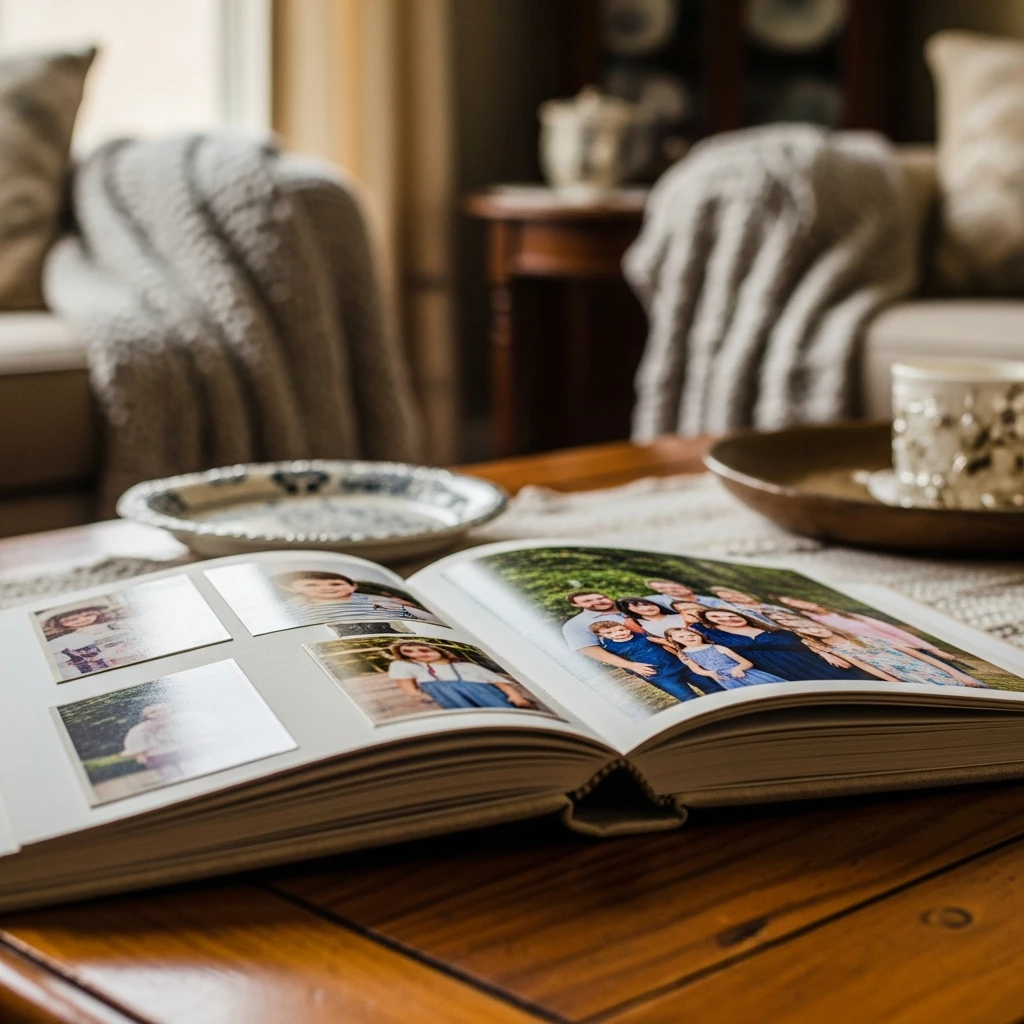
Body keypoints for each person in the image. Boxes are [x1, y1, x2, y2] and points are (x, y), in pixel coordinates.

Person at [695, 609, 877, 682]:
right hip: (780, 669)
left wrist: (828, 654)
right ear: (711, 623)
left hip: (813, 661)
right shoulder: (716, 635)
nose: (727, 618)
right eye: (717, 618)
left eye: (728, 614)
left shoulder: (773, 629)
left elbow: (804, 640)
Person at [791, 623, 987, 688]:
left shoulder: (860, 637)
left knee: (968, 687)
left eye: (812, 625)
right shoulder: (838, 651)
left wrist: (956, 673)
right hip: (904, 677)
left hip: (924, 668)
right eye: (807, 630)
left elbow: (913, 654)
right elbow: (869, 668)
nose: (814, 630)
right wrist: (895, 682)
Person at [775, 596, 957, 660]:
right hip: (877, 648)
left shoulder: (845, 614)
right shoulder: (814, 621)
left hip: (900, 643)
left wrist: (934, 649)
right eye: (794, 604)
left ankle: (935, 654)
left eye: (797, 600)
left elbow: (894, 631)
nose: (801, 605)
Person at [588, 620, 724, 701]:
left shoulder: (641, 635)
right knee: (687, 697)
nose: (618, 633)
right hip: (660, 676)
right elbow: (619, 663)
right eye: (610, 633)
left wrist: (679, 651)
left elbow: (663, 642)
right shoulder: (610, 648)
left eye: (620, 629)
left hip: (682, 666)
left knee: (712, 687)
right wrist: (635, 671)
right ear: (600, 635)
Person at [387, 641, 536, 710]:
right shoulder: (413, 667)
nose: (418, 654)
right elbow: (405, 682)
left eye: (422, 649)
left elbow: (499, 682)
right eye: (409, 652)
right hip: (444, 692)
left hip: (481, 689)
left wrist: (516, 696)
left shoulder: (466, 666)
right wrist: (416, 694)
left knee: (502, 709)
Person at [272, 570, 438, 626]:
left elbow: (424, 617)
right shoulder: (296, 611)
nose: (326, 588)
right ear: (293, 590)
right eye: (311, 585)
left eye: (335, 584)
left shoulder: (384, 603)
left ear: (354, 586)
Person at [561, 592, 654, 677]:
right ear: (576, 604)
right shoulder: (574, 625)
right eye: (587, 600)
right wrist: (631, 665)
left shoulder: (635, 605)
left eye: (601, 598)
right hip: (646, 663)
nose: (598, 602)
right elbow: (593, 651)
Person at [662, 626, 786, 688]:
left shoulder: (717, 647)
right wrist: (710, 673)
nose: (688, 637)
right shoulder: (685, 654)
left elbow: (747, 663)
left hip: (749, 675)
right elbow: (696, 669)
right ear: (674, 641)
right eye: (681, 637)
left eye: (690, 634)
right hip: (725, 680)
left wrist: (738, 668)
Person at [44, 605, 128, 677]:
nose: (81, 620)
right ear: (58, 622)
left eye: (89, 614)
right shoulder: (60, 639)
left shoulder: (109, 626)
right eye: (71, 619)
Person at [707, 588, 791, 626]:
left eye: (733, 595)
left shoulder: (767, 604)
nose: (734, 598)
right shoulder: (738, 609)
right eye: (728, 598)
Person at [615, 597, 687, 639]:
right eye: (637, 607)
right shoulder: (639, 624)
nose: (646, 608)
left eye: (645, 604)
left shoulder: (681, 616)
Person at [643, 579, 723, 612]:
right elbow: (632, 603)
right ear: (659, 591)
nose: (671, 589)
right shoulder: (659, 600)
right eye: (663, 588)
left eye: (672, 586)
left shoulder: (711, 600)